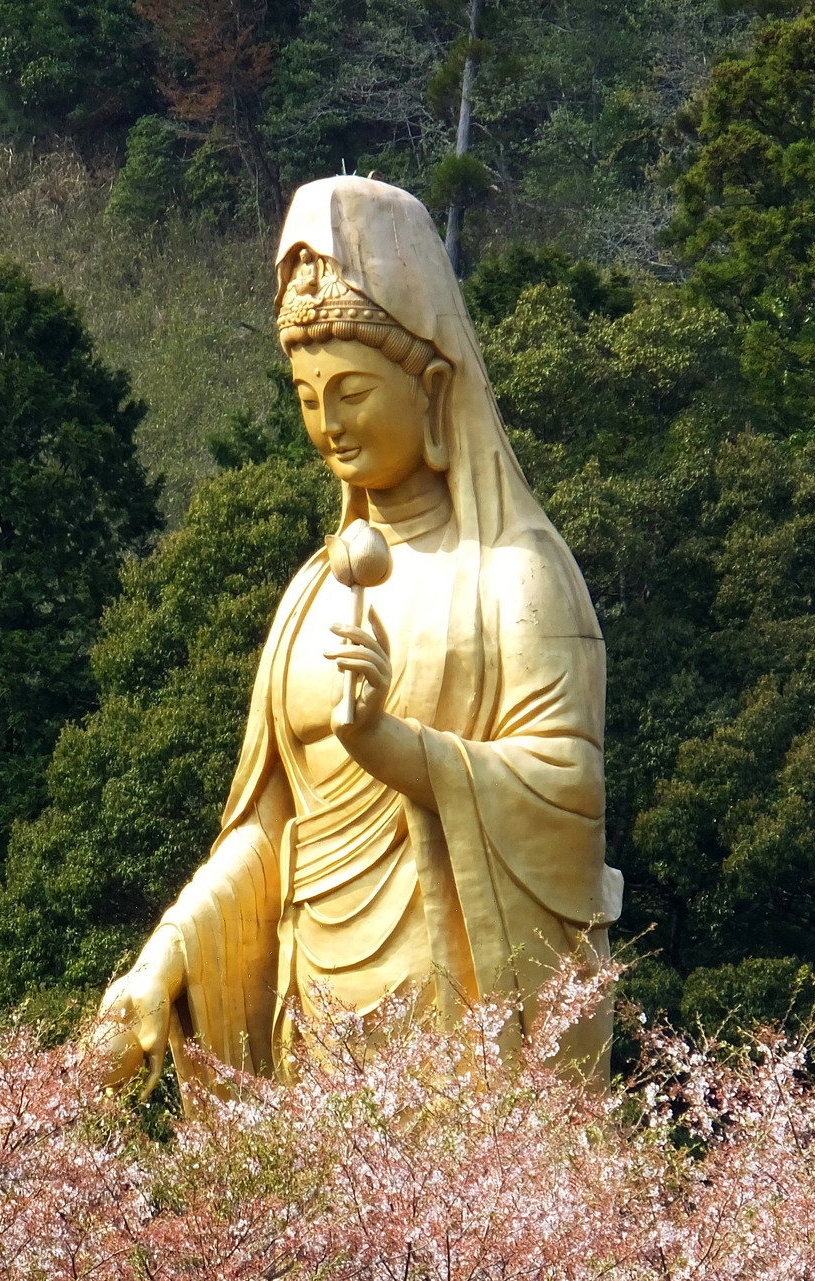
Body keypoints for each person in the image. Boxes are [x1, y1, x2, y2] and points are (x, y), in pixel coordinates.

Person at [93, 175, 622, 1095]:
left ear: (432, 386)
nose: (327, 426)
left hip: (458, 1024)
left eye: (350, 392)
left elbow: (567, 796)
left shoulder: (514, 574)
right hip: (315, 1015)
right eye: (306, 398)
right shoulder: (308, 595)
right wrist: (167, 955)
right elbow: (267, 831)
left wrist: (396, 747)